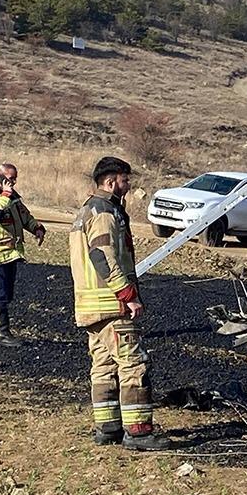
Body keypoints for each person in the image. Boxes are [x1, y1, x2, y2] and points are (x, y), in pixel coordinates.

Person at [69, 156, 167, 452]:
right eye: (125, 180)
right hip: (113, 306)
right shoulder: (104, 212)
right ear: (111, 181)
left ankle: (108, 427)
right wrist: (128, 294)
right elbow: (102, 255)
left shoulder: (85, 211)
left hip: (90, 307)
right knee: (133, 364)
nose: (129, 185)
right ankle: (138, 432)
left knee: (102, 366)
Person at [0, 163, 46, 347]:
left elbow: (23, 215)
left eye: (15, 178)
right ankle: (0, 332)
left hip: (10, 253)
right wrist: (5, 195)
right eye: (10, 178)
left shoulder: (12, 196)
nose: (13, 182)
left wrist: (36, 228)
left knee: (6, 293)